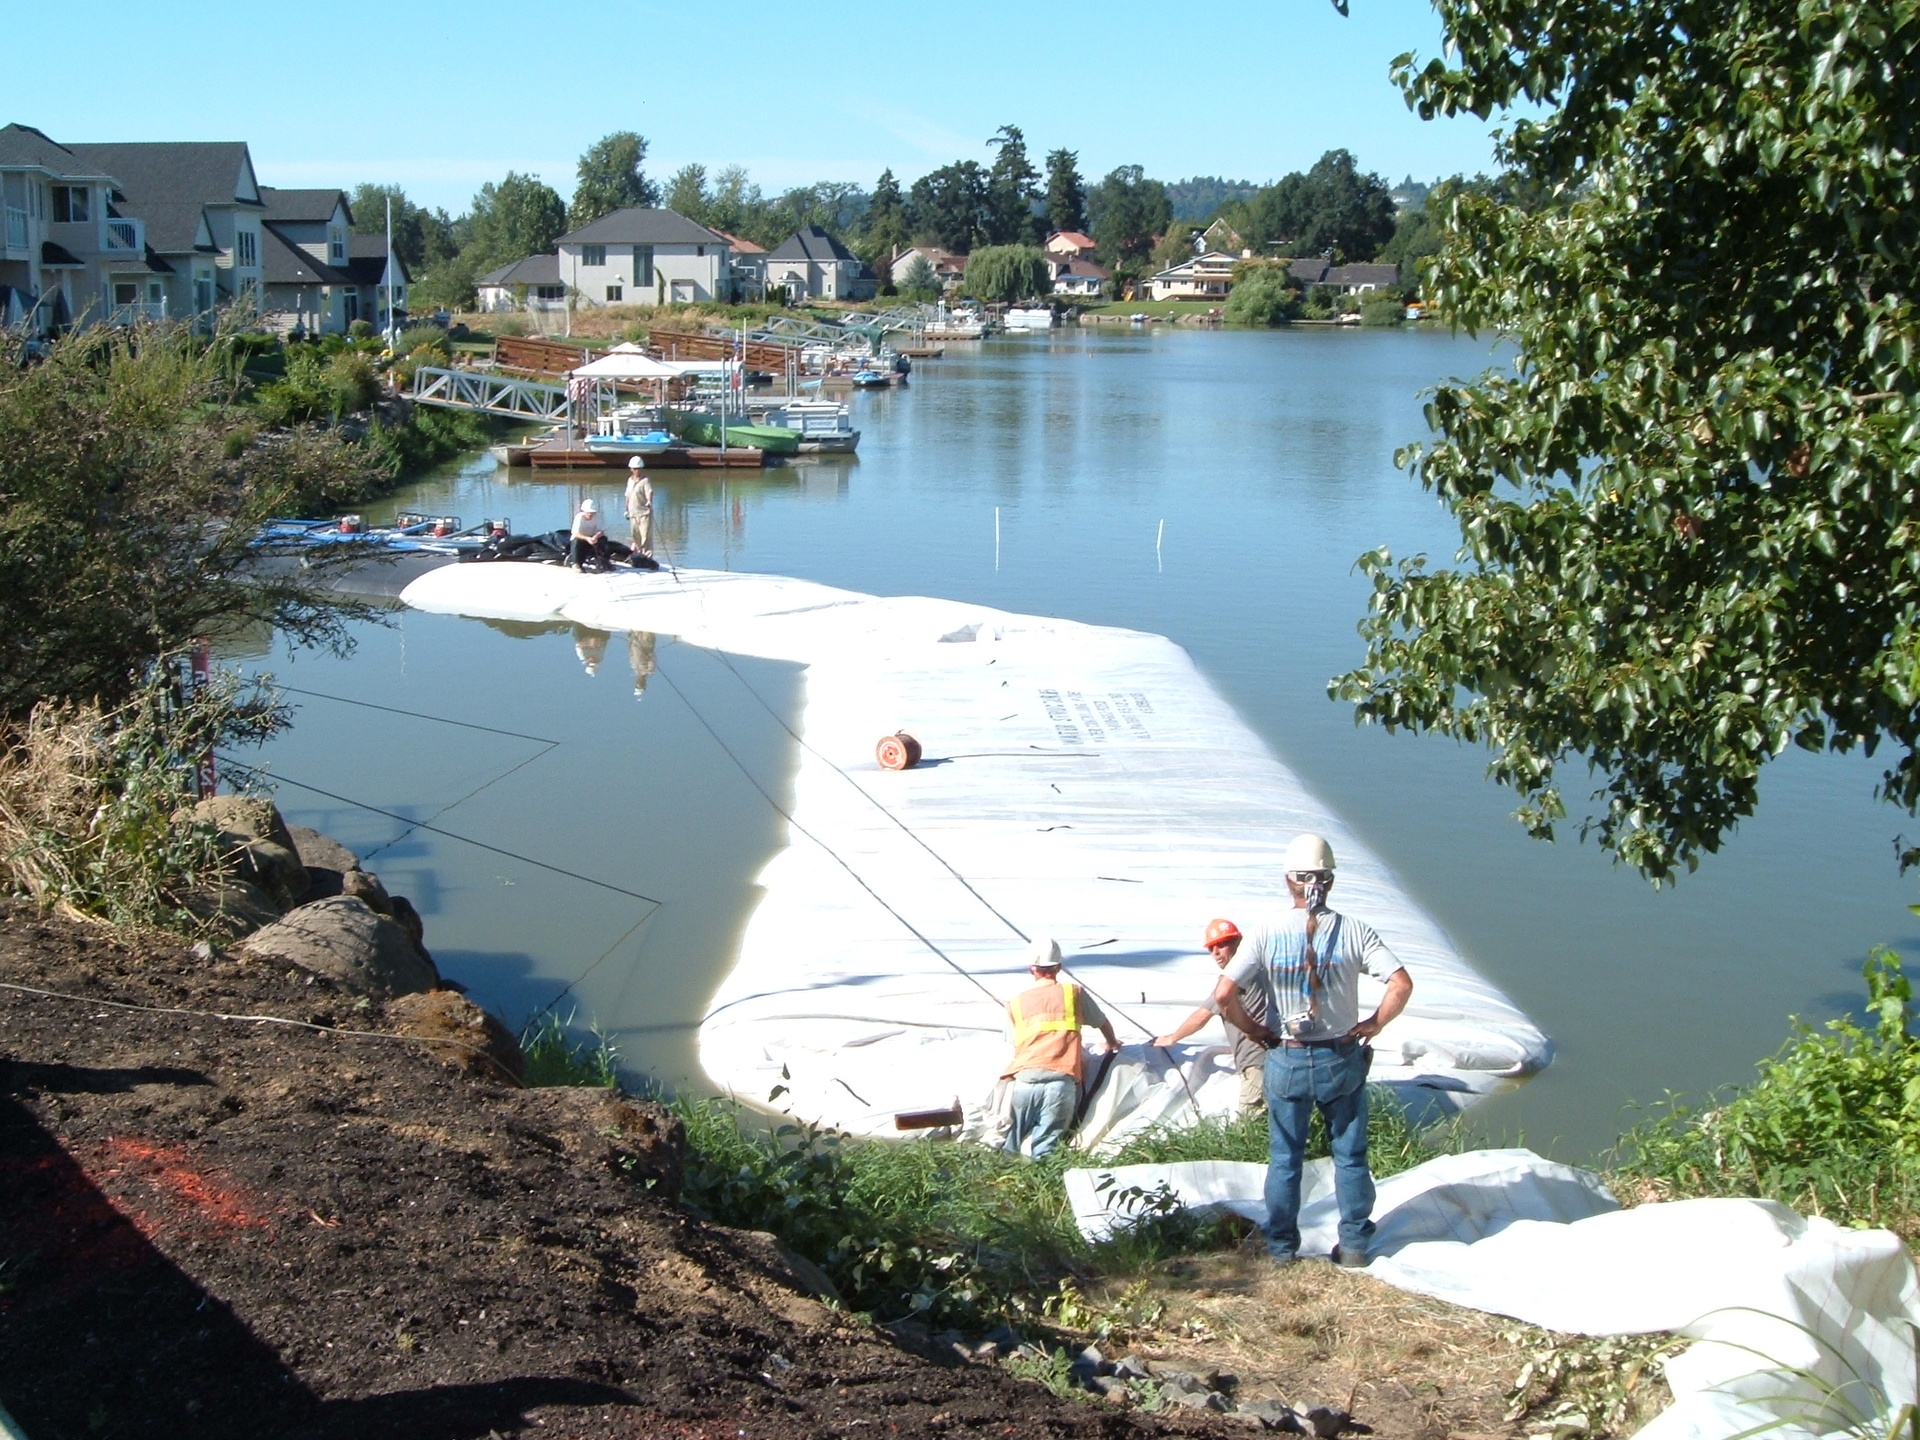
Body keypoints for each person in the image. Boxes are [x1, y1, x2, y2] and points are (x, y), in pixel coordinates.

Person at [1224, 834, 1413, 1269]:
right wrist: (1374, 1024)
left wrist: (1257, 1032)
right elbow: (1400, 983)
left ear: (1290, 880)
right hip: (1340, 1057)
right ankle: (1354, 1247)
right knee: (1349, 1154)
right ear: (1328, 881)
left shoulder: (1266, 932)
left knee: (1285, 1156)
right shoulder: (1354, 931)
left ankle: (1281, 1249)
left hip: (1286, 1056)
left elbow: (1223, 995)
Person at [999, 937, 1120, 1159]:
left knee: (1011, 1142)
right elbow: (1102, 1022)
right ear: (1059, 967)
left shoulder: (1015, 1003)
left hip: (1025, 1080)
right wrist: (1112, 1044)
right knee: (1047, 1147)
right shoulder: (1073, 993)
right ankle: (1042, 1190)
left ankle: (1002, 1185)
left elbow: (1013, 1042)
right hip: (1061, 1080)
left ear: (1031, 969)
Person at [1151, 918, 1271, 1117]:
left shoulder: (1235, 977)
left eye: (1222, 944)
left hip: (1256, 1062)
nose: (1216, 952)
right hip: (1267, 1059)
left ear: (1238, 943)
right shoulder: (1260, 969)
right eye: (1211, 948)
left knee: (1250, 1125)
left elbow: (1201, 1017)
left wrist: (1171, 1038)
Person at [625, 456, 654, 560]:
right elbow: (627, 495)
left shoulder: (645, 480)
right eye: (635, 469)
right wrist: (626, 510)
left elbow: (649, 492)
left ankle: (647, 557)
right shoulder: (630, 480)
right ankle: (638, 556)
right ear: (631, 469)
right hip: (633, 513)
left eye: (639, 468)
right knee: (635, 536)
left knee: (645, 536)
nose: (637, 471)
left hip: (644, 513)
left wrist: (649, 501)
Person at [568, 497, 610, 570]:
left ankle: (604, 561)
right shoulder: (579, 518)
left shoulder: (598, 517)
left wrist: (595, 537)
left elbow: (601, 531)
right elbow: (575, 533)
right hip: (582, 539)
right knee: (576, 541)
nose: (590, 515)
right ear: (584, 511)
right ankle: (576, 564)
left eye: (592, 513)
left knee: (604, 539)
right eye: (588, 513)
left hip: (593, 538)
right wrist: (587, 538)